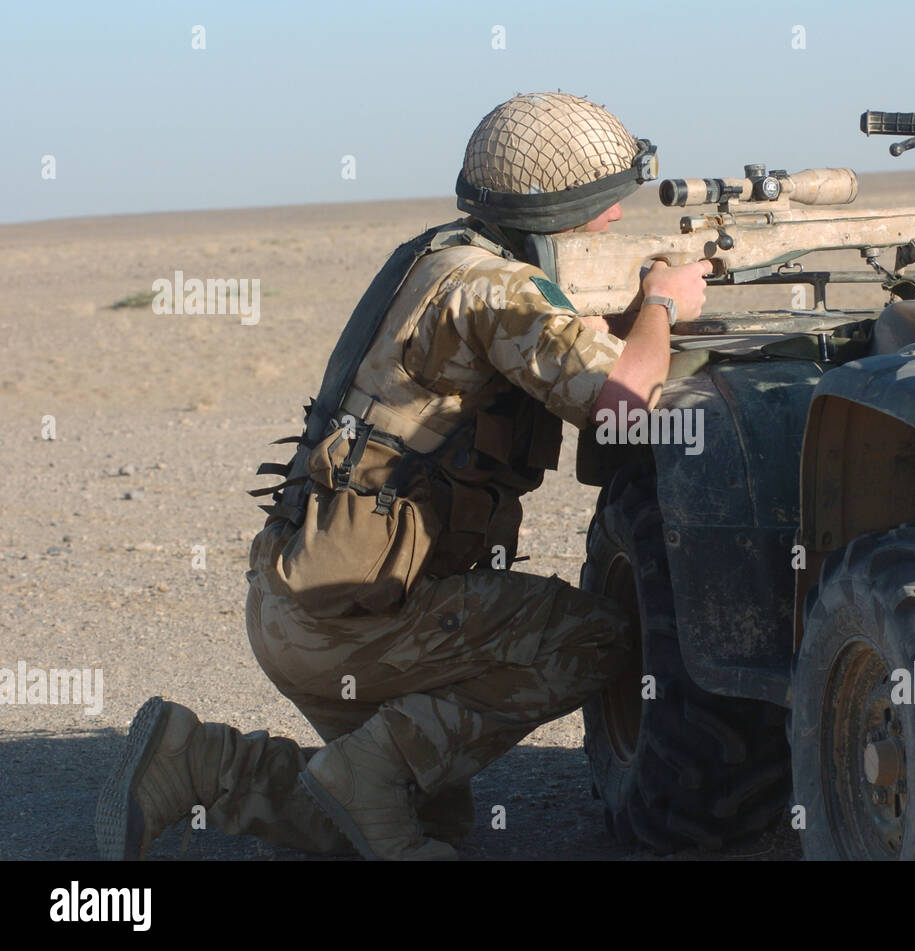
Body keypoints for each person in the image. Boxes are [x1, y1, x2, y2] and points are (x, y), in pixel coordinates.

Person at [96, 91, 711, 861]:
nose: (619, 220)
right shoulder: (499, 290)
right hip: (358, 623)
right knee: (593, 640)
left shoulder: (444, 261)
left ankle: (200, 761)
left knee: (425, 819)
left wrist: (614, 320)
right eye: (606, 206)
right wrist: (662, 301)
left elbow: (543, 352)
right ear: (559, 211)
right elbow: (622, 403)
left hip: (308, 606)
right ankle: (366, 775)